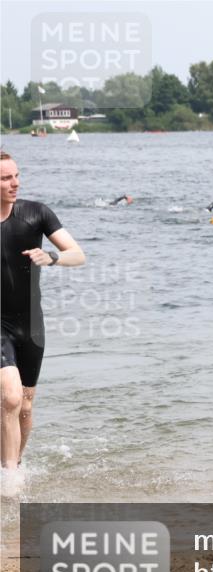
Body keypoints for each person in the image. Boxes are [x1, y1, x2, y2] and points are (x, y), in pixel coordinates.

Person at [1, 151, 86, 494]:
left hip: (31, 324)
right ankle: (10, 480)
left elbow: (77, 254)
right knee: (9, 397)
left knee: (25, 404)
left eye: (17, 176)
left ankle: (13, 462)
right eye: (6, 178)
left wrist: (51, 257)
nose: (15, 183)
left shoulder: (36, 214)